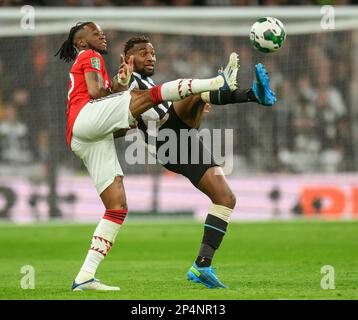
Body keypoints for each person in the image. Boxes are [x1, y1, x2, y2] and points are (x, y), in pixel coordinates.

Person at [55, 22, 240, 291]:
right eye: (95, 33)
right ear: (81, 42)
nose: (101, 35)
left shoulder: (98, 65)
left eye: (101, 32)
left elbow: (112, 116)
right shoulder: (89, 56)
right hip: (84, 117)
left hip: (86, 137)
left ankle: (84, 276)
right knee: (151, 95)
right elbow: (96, 94)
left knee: (116, 207)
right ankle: (214, 81)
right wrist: (123, 88)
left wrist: (120, 86)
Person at [122, 36, 276, 288]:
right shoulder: (127, 81)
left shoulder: (148, 82)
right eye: (142, 53)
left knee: (226, 199)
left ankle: (201, 265)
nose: (150, 57)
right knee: (195, 93)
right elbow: (134, 106)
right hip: (165, 140)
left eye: (152, 53)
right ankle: (225, 85)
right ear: (129, 58)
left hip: (180, 136)